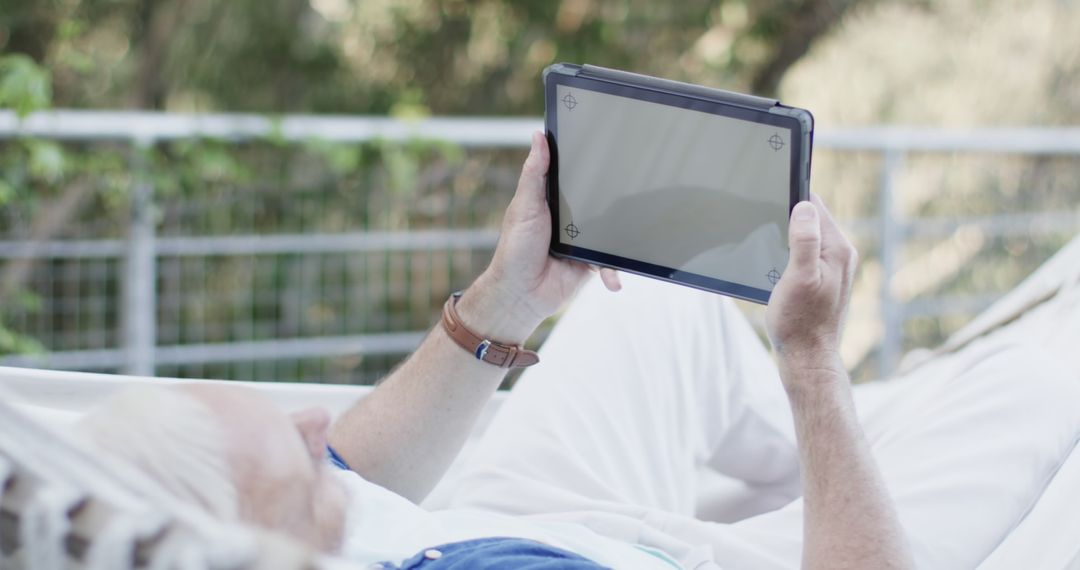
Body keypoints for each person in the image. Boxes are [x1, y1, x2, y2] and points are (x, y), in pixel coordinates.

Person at [76, 133, 1079, 569]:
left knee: (648, 291)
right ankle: (849, 460)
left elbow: (349, 469)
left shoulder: (252, 518)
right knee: (1032, 384)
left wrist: (506, 303)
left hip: (498, 522)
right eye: (295, 459)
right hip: (647, 558)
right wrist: (811, 365)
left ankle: (843, 452)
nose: (315, 426)